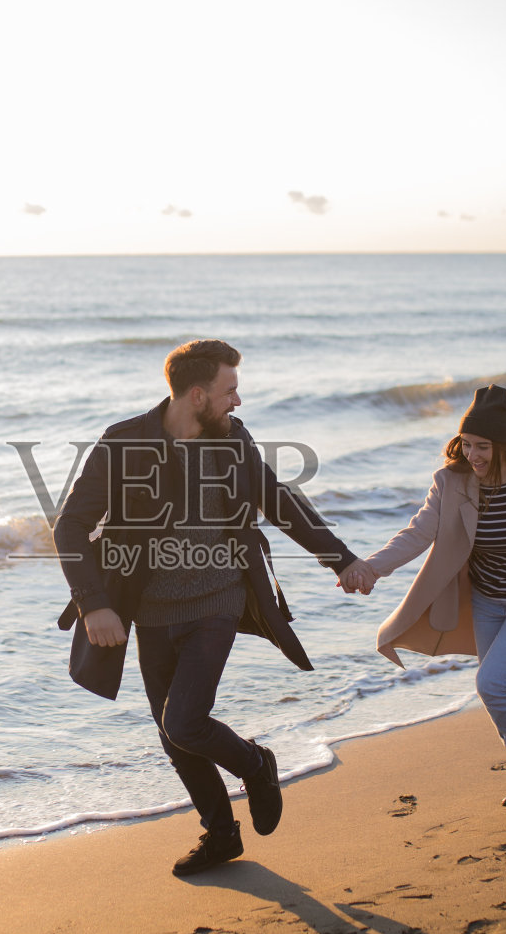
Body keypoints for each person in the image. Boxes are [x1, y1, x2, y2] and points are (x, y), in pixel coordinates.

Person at [53, 339, 373, 876]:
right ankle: (221, 835)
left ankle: (256, 764)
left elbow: (279, 501)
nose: (238, 401)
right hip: (151, 610)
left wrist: (340, 559)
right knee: (173, 736)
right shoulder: (124, 443)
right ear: (197, 395)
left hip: (219, 598)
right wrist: (94, 604)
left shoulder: (233, 440)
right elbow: (70, 525)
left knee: (183, 721)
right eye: (230, 390)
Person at [339, 384, 506, 816]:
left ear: (504, 445)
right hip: (486, 600)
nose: (473, 455)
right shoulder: (451, 482)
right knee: (504, 686)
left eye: (482, 446)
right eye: (466, 444)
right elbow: (417, 533)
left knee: (490, 683)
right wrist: (370, 568)